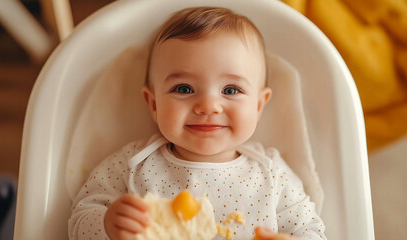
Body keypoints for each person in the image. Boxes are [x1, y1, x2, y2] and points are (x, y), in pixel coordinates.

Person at [68, 6, 326, 240]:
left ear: (258, 105)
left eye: (231, 90)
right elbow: (79, 219)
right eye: (184, 88)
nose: (208, 105)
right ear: (154, 103)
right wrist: (106, 225)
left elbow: (312, 230)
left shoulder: (271, 172)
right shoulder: (133, 164)